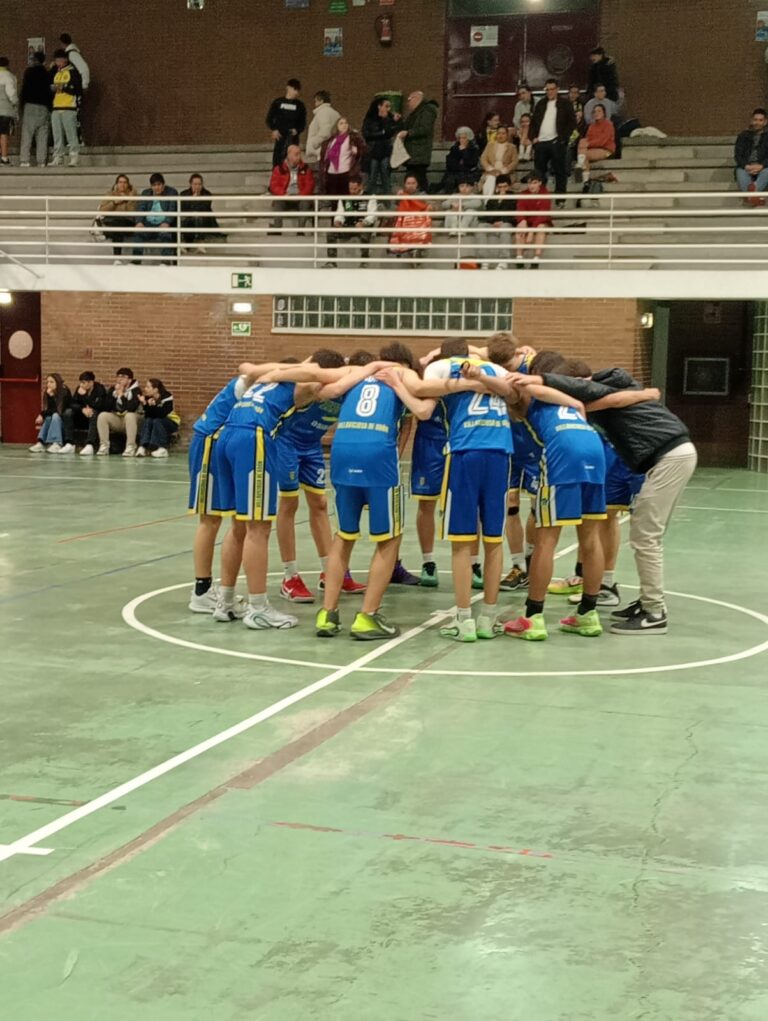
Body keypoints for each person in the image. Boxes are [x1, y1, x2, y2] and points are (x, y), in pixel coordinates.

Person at [522, 361, 698, 634]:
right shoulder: (614, 389)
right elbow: (610, 401)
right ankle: (644, 602)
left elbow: (602, 396)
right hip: (671, 455)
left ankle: (654, 611)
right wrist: (643, 394)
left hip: (670, 457)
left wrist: (542, 380)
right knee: (637, 532)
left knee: (645, 536)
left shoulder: (601, 388)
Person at [313, 345, 434, 640]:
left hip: (342, 451)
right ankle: (367, 617)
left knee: (344, 535)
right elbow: (423, 410)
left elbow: (325, 392)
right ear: (405, 363)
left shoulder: (357, 372)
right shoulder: (403, 374)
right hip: (378, 455)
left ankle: (327, 614)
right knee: (389, 538)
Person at [403, 344, 514, 642]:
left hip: (465, 451)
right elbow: (512, 393)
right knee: (493, 540)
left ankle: (464, 620)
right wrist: (482, 381)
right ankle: (488, 618)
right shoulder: (499, 370)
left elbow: (422, 389)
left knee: (461, 542)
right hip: (501, 453)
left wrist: (459, 382)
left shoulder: (442, 367)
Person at [272, 351, 369, 604]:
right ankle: (289, 576)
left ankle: (331, 571)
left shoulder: (352, 389)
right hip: (286, 442)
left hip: (311, 445)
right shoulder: (312, 384)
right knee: (289, 504)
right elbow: (299, 371)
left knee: (320, 504)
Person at [186, 373, 251, 616]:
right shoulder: (247, 382)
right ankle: (201, 591)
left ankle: (221, 592)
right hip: (209, 442)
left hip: (225, 445)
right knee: (210, 518)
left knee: (235, 519)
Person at [531, 78, 576, 204]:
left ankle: (560, 199)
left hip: (557, 142)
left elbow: (572, 123)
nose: (549, 92)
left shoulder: (565, 104)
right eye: (547, 89)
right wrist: (533, 137)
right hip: (541, 142)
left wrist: (562, 139)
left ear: (557, 89)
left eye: (552, 89)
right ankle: (540, 199)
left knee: (560, 171)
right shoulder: (540, 104)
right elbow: (533, 122)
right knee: (539, 173)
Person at [325, 176, 377, 267]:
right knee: (331, 233)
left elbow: (372, 215)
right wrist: (338, 221)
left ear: (361, 187)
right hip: (347, 226)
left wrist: (364, 223)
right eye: (350, 189)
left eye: (355, 189)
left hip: (363, 227)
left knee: (365, 235)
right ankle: (331, 262)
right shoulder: (344, 198)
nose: (352, 191)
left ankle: (364, 262)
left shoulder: (370, 197)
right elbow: (339, 213)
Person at [397, 90, 439, 191]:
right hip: (413, 152)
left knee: (419, 177)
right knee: (414, 176)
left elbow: (425, 129)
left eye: (409, 100)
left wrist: (408, 133)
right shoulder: (415, 113)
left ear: (416, 98)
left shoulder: (427, 110)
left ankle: (423, 198)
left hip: (419, 151)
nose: (408, 103)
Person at [268, 144, 315, 232]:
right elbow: (273, 185)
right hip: (285, 196)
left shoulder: (306, 168)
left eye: (299, 154)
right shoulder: (279, 169)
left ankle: (300, 230)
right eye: (296, 154)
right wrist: (283, 194)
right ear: (289, 155)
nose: (299, 157)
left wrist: (300, 195)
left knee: (305, 203)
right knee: (278, 201)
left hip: (299, 197)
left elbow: (309, 185)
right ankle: (277, 228)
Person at [96, 367, 142, 456]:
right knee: (103, 415)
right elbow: (106, 407)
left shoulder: (136, 391)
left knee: (130, 415)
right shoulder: (113, 389)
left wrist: (121, 396)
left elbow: (131, 408)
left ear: (129, 380)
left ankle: (131, 446)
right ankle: (104, 446)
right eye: (118, 376)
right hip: (118, 419)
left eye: (123, 377)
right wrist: (115, 395)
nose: (120, 379)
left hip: (134, 421)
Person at [135, 173, 179, 264]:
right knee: (139, 232)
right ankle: (136, 261)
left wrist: (167, 222)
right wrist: (139, 221)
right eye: (154, 185)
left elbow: (172, 210)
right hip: (148, 223)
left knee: (166, 233)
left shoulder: (171, 192)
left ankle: (165, 262)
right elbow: (141, 209)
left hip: (162, 222)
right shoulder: (146, 193)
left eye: (159, 185)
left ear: (163, 185)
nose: (157, 187)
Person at [389, 172, 432, 261]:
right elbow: (392, 208)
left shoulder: (423, 195)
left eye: (413, 183)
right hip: (403, 222)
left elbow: (433, 206)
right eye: (408, 183)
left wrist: (430, 207)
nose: (411, 186)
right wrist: (398, 199)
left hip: (419, 222)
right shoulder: (400, 195)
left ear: (417, 184)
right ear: (404, 185)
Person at [362, 95, 400, 196]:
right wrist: (381, 133)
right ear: (379, 106)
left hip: (385, 151)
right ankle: (367, 200)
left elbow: (391, 131)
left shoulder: (390, 118)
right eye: (386, 106)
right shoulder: (370, 118)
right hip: (373, 151)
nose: (389, 109)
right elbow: (366, 134)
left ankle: (388, 202)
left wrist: (387, 120)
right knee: (372, 178)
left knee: (386, 178)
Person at [49, 49, 82, 167]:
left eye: (59, 60)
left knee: (71, 133)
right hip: (56, 107)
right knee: (57, 135)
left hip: (69, 107)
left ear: (65, 60)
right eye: (56, 60)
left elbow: (77, 89)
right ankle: (58, 157)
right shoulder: (56, 72)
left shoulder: (73, 72)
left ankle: (74, 156)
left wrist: (64, 88)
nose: (58, 63)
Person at [318, 116, 366, 196]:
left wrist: (357, 148)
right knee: (333, 199)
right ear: (336, 126)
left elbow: (363, 149)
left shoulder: (352, 138)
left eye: (345, 123)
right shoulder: (331, 141)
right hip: (331, 173)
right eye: (341, 123)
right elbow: (324, 156)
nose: (344, 125)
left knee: (345, 198)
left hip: (346, 173)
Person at [440, 177, 482, 266]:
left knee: (470, 212)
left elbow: (478, 204)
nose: (464, 188)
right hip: (455, 221)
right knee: (449, 212)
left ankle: (462, 230)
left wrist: (462, 205)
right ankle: (453, 230)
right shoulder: (454, 196)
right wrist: (451, 204)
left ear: (471, 187)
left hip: (470, 225)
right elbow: (443, 204)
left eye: (467, 186)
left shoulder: (475, 196)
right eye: (462, 186)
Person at [515, 172, 553, 269]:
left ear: (540, 183)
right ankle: (519, 258)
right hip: (528, 221)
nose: (531, 186)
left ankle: (536, 258)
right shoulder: (523, 194)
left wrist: (531, 231)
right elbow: (520, 209)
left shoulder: (545, 193)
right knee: (520, 228)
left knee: (541, 228)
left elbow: (542, 215)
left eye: (534, 183)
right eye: (529, 183)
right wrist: (522, 220)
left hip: (541, 222)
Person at [266, 78, 306, 168]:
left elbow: (303, 123)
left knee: (293, 157)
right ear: (288, 88)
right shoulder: (278, 102)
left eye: (298, 90)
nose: (296, 92)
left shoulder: (300, 105)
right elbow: (269, 119)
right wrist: (274, 129)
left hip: (293, 137)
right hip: (280, 135)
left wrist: (297, 130)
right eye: (294, 89)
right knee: (278, 158)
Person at [19, 52, 50, 168]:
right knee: (42, 134)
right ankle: (41, 161)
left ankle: (24, 160)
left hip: (30, 106)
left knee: (27, 133)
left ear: (35, 60)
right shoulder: (47, 73)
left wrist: (21, 106)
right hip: (44, 107)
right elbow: (49, 91)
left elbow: (24, 90)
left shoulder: (29, 72)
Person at [98, 173, 137, 263]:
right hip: (112, 222)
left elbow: (132, 213)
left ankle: (117, 257)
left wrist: (127, 200)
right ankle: (117, 258)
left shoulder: (133, 195)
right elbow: (102, 210)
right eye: (120, 182)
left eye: (125, 182)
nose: (122, 185)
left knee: (118, 225)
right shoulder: (110, 194)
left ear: (128, 184)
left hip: (127, 223)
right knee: (117, 227)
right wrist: (114, 202)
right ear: (116, 184)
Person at [480, 174, 516, 270]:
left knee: (505, 227)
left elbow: (514, 214)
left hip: (507, 223)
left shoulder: (514, 198)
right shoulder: (492, 199)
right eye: (500, 187)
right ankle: (484, 260)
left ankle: (503, 260)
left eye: (505, 186)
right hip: (493, 223)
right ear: (496, 187)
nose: (502, 189)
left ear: (509, 186)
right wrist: (493, 222)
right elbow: (487, 214)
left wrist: (503, 220)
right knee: (480, 227)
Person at [29, 374, 73, 453]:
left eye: (51, 382)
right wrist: (50, 397)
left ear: (58, 383)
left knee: (55, 415)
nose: (49, 384)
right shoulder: (49, 392)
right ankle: (41, 442)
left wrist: (42, 414)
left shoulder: (65, 392)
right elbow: (50, 410)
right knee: (49, 417)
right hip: (54, 422)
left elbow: (59, 410)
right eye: (48, 382)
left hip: (65, 423)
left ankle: (57, 443)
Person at [136, 379, 179, 458]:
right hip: (157, 420)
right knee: (148, 420)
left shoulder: (167, 396)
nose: (145, 389)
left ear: (155, 389)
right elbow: (148, 416)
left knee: (157, 421)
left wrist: (153, 406)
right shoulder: (148, 398)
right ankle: (143, 446)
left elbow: (162, 414)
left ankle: (162, 448)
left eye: (148, 387)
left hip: (171, 422)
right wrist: (145, 404)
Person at [180, 173, 221, 252]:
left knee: (198, 216)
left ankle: (200, 242)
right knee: (182, 218)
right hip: (189, 220)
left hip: (203, 219)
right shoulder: (183, 194)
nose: (197, 186)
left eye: (199, 184)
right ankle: (183, 243)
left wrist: (195, 201)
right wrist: (192, 200)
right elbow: (183, 209)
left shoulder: (207, 194)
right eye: (195, 184)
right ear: (190, 184)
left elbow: (205, 209)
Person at [69, 371, 108, 455]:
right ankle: (69, 443)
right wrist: (82, 409)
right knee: (69, 413)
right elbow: (72, 403)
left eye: (83, 383)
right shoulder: (79, 389)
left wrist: (85, 396)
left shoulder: (100, 389)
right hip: (83, 416)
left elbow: (100, 406)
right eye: (80, 382)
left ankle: (90, 444)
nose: (81, 385)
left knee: (94, 413)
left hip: (95, 417)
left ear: (91, 382)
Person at [577, 103, 616, 183]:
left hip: (606, 150)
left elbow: (603, 141)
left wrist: (588, 144)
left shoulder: (608, 125)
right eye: (594, 112)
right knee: (582, 142)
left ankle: (581, 166)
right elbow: (588, 139)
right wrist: (585, 143)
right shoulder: (592, 126)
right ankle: (584, 177)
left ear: (604, 113)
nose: (596, 113)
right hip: (593, 149)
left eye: (599, 111)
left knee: (583, 155)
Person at [734, 108, 768, 196]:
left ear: (765, 122)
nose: (757, 123)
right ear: (751, 121)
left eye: (760, 120)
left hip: (764, 166)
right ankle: (754, 196)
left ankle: (751, 194)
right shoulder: (743, 136)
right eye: (755, 120)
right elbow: (738, 155)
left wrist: (761, 166)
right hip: (745, 166)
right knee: (740, 172)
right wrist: (747, 166)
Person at [479, 123, 518, 196]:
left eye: (503, 133)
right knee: (491, 178)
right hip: (491, 172)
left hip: (506, 173)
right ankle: (488, 202)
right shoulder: (490, 145)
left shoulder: (512, 147)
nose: (501, 136)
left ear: (507, 135)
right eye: (499, 133)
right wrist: (491, 169)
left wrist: (503, 171)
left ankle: (490, 202)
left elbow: (514, 162)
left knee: (495, 179)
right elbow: (483, 158)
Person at [440, 126, 481, 193]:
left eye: (464, 138)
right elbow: (450, 163)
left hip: (469, 173)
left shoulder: (474, 149)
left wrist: (464, 151)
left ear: (469, 139)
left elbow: (471, 163)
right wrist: (460, 167)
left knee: (464, 179)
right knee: (450, 180)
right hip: (455, 172)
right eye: (460, 138)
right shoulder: (454, 148)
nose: (461, 140)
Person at [305, 90, 340, 165]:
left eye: (316, 101)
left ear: (321, 101)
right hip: (331, 151)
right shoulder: (335, 113)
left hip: (321, 152)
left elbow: (325, 132)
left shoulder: (323, 112)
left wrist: (313, 143)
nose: (315, 104)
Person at [0, 57, 18, 167]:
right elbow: (12, 95)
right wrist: (16, 104)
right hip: (5, 111)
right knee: (4, 134)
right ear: (7, 65)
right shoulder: (9, 76)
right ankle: (4, 157)